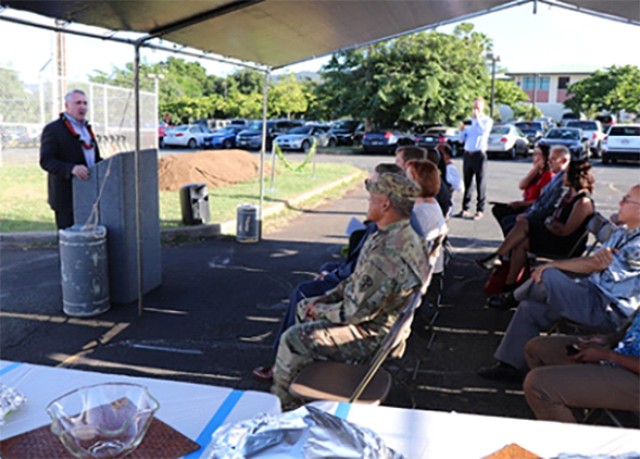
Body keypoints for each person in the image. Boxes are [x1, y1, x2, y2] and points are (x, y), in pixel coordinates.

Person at [271, 172, 429, 407]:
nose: (368, 202)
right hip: (377, 321)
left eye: (372, 197)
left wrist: (321, 310)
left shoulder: (386, 253)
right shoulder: (400, 235)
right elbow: (356, 280)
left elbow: (354, 314)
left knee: (293, 339)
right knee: (305, 306)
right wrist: (326, 298)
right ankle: (303, 386)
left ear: (385, 204)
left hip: (372, 334)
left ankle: (283, 406)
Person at [252, 163, 403, 382]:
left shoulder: (386, 237)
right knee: (319, 279)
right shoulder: (390, 228)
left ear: (386, 198)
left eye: (372, 185)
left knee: (303, 294)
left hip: (365, 323)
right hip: (358, 293)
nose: (368, 192)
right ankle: (287, 360)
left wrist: (325, 300)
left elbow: (358, 293)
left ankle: (282, 362)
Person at [477, 184, 640, 381]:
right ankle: (508, 365)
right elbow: (594, 262)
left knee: (548, 276)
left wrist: (553, 265)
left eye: (627, 199)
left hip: (608, 310)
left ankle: (511, 296)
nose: (620, 202)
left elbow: (592, 264)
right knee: (530, 307)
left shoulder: (637, 246)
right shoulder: (625, 233)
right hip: (589, 292)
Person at [478, 160, 595, 290]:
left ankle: (498, 256)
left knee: (524, 224)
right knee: (520, 243)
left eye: (566, 173)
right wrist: (550, 222)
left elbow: (566, 231)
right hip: (555, 232)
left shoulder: (583, 202)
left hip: (565, 244)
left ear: (575, 177)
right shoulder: (570, 195)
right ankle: (510, 285)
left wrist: (549, 222)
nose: (563, 176)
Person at [523, 310, 639, 423]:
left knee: (538, 384)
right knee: (537, 349)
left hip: (633, 375)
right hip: (619, 355)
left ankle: (571, 440)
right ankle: (574, 419)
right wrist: (608, 339)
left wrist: (609, 356)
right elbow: (633, 331)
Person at [40, 89, 102, 229]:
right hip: (66, 197)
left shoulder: (87, 129)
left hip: (89, 194)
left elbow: (94, 158)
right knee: (70, 242)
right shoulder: (54, 129)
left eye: (85, 103)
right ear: (67, 106)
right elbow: (46, 161)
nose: (82, 107)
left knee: (89, 237)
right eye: (78, 103)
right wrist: (72, 168)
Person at [405, 159, 448, 327]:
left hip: (416, 275)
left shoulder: (421, 213)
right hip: (429, 270)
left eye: (408, 176)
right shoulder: (431, 204)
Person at [491, 146, 554, 236]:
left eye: (537, 154)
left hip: (531, 207)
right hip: (524, 203)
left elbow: (542, 200)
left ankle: (513, 239)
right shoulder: (536, 173)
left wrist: (521, 204)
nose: (534, 157)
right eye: (534, 154)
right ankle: (510, 238)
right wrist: (535, 169)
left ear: (545, 157)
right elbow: (522, 185)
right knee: (498, 210)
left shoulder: (548, 175)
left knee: (507, 218)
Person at [456, 97, 493, 220]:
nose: (475, 109)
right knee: (468, 182)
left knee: (480, 182)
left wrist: (478, 119)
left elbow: (482, 131)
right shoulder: (469, 121)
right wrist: (461, 131)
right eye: (474, 106)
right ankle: (465, 208)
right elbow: (461, 139)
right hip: (468, 153)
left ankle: (480, 210)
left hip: (479, 154)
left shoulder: (487, 121)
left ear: (482, 107)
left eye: (478, 107)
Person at [396, 145, 450, 218]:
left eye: (398, 161)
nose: (395, 164)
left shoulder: (424, 189)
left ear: (409, 163)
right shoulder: (430, 180)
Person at [437, 143, 462, 214]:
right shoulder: (433, 167)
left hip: (445, 203)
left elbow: (460, 187)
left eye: (440, 153)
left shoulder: (450, 168)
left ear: (447, 156)